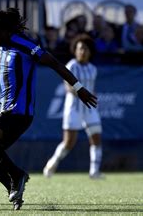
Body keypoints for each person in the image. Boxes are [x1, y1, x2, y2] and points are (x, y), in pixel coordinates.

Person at [0, 8, 97, 210]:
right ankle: (13, 188)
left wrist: (79, 88)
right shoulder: (3, 48)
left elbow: (54, 62)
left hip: (19, 111)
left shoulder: (23, 44)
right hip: (3, 108)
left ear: (4, 31)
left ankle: (18, 175)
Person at [43, 34, 103, 179]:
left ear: (90, 51)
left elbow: (91, 88)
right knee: (69, 142)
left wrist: (93, 96)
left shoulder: (92, 69)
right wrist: (83, 95)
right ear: (75, 50)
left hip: (90, 109)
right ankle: (51, 164)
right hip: (73, 108)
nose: (83, 51)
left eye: (86, 49)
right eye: (80, 48)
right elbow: (69, 87)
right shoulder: (71, 66)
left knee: (96, 139)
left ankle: (94, 171)